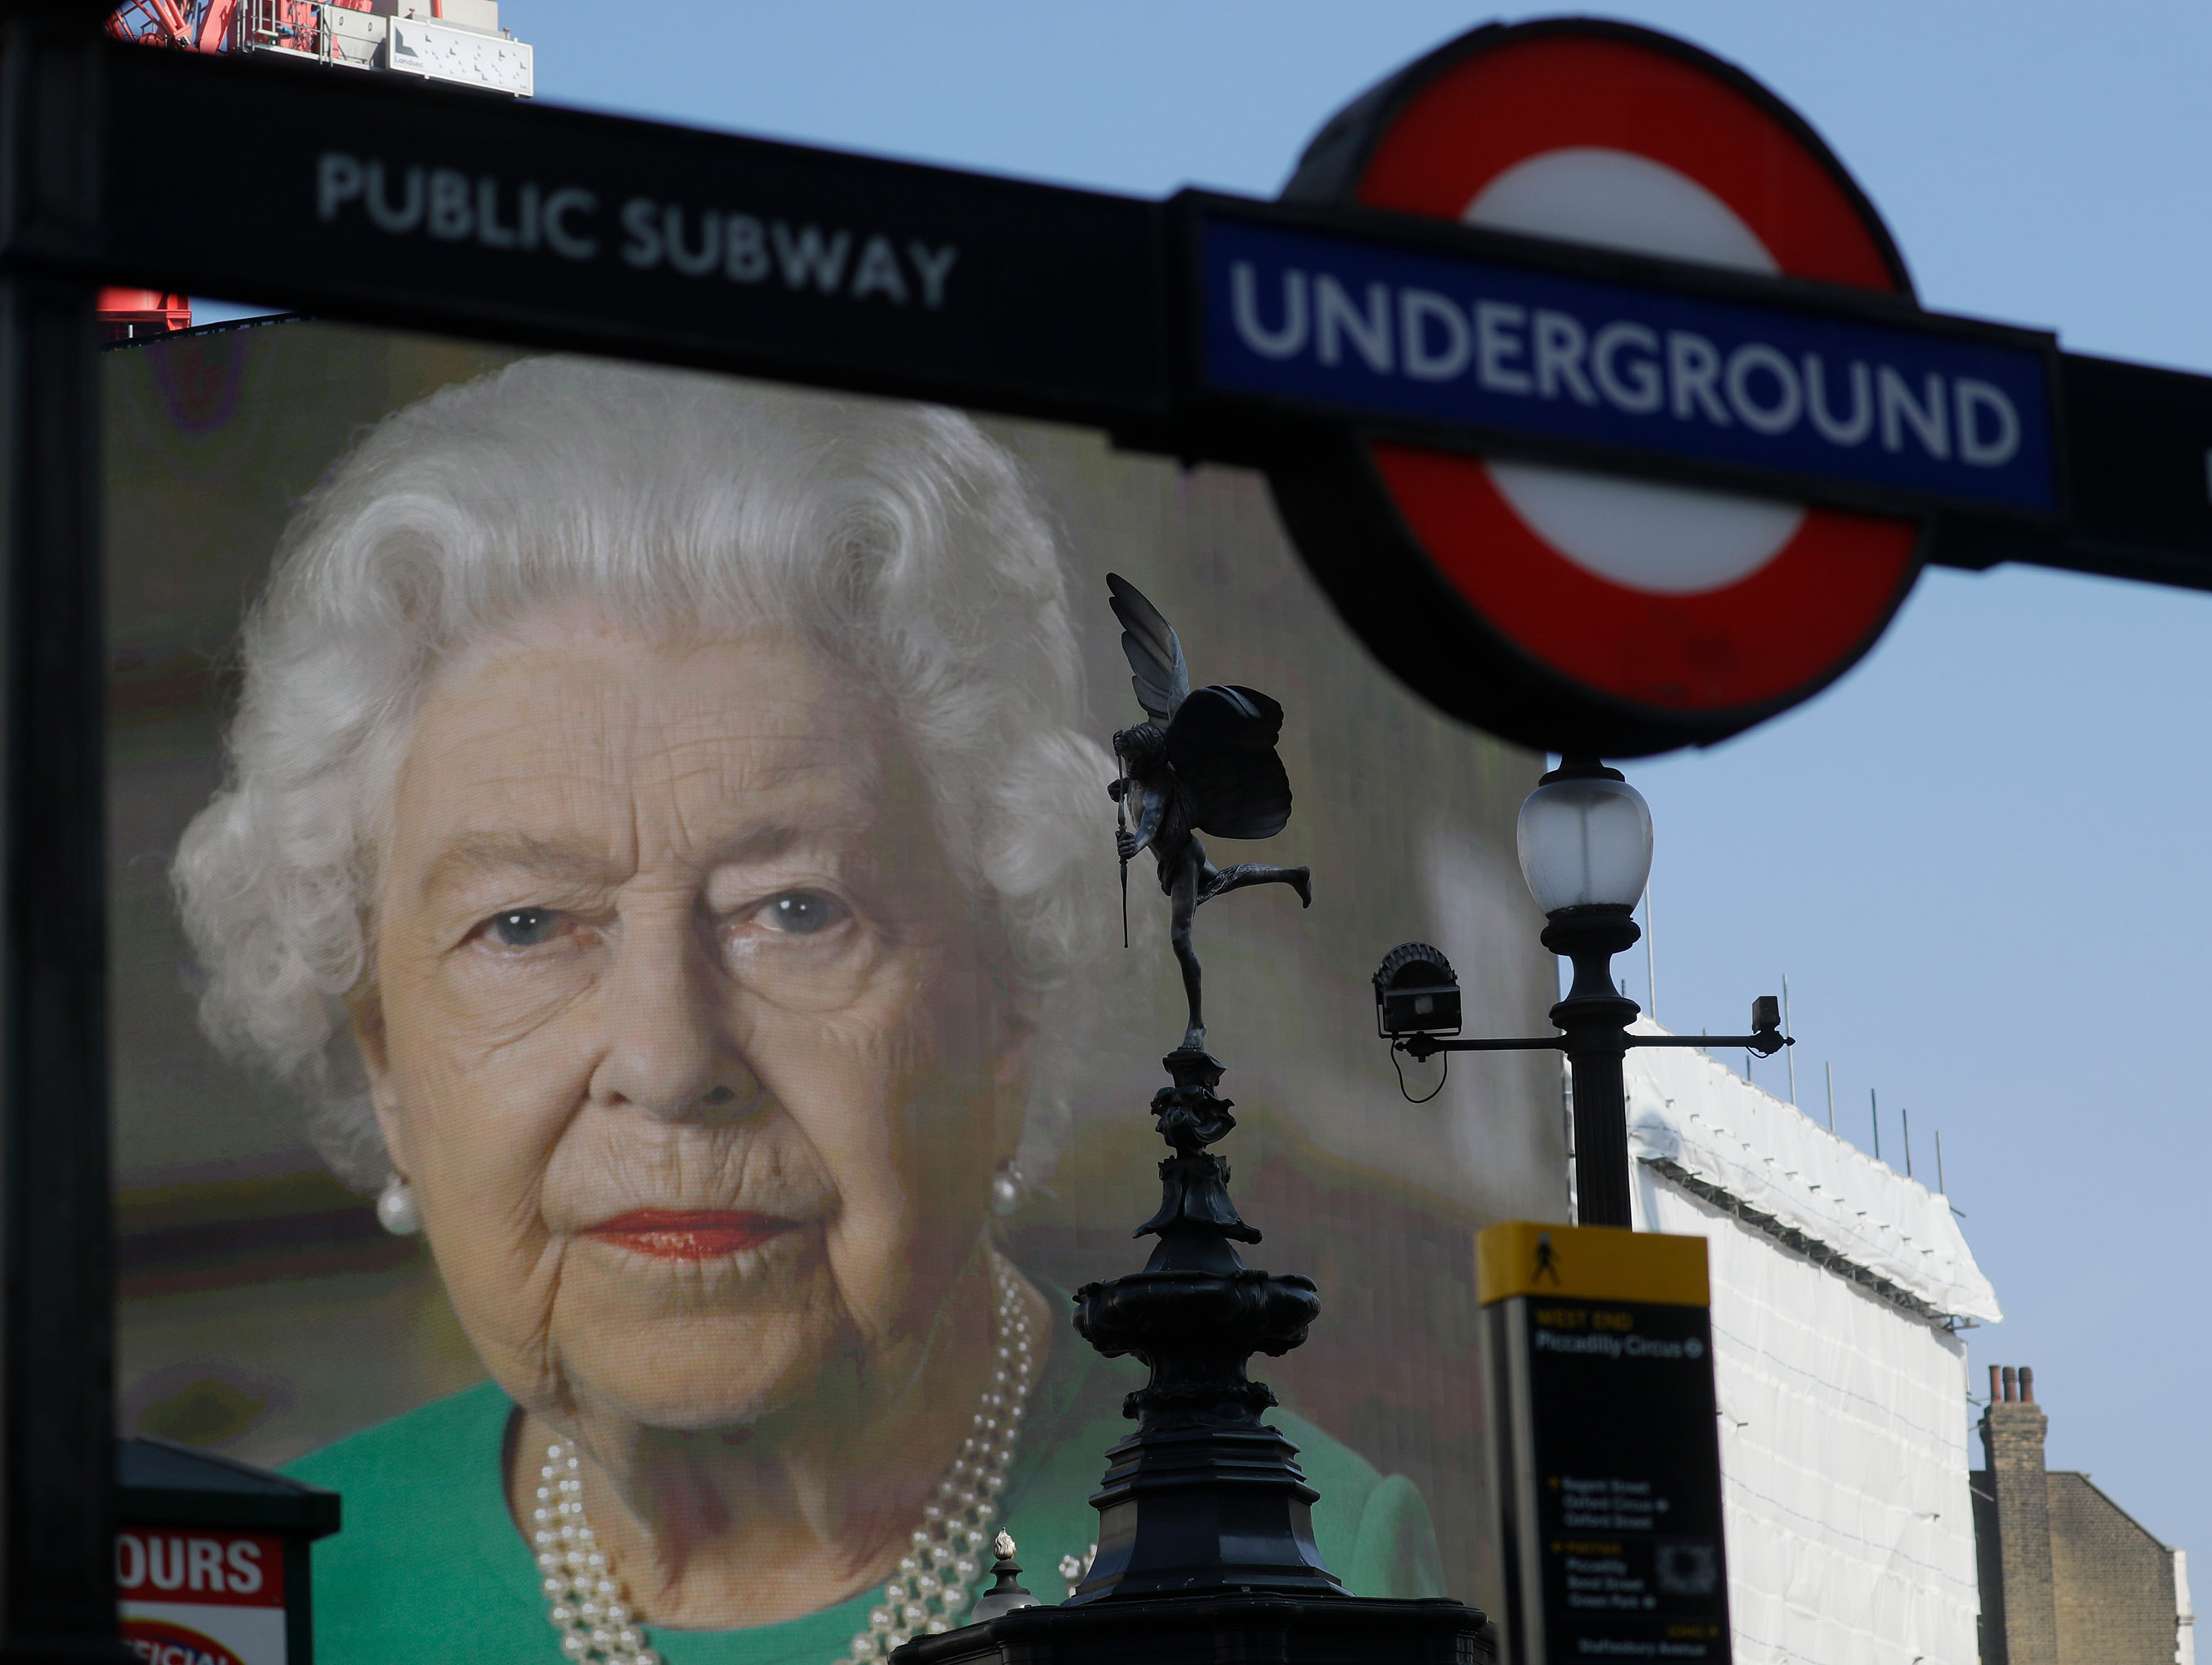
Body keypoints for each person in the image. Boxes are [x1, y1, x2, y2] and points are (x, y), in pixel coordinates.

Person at [171, 358, 1442, 1665]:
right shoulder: (261, 1606)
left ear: (1006, 1006)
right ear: (385, 1058)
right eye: (526, 925)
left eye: (794, 911)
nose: (668, 1061)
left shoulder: (1297, 1565)